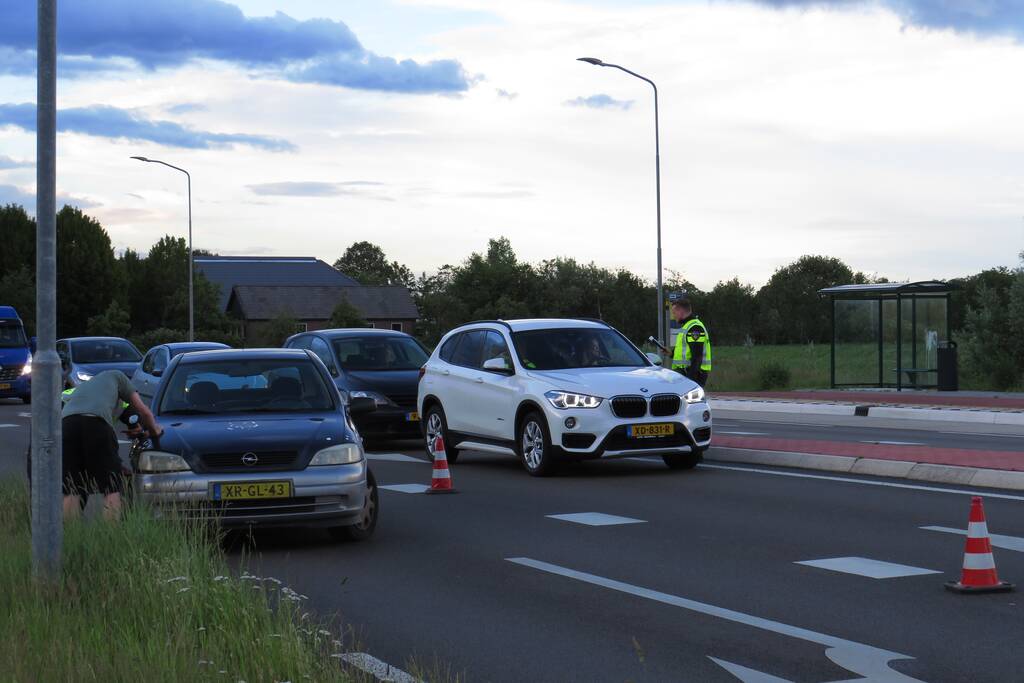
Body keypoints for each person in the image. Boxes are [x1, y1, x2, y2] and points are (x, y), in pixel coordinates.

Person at [61, 370, 162, 520]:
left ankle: (69, 536)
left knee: (73, 487)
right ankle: (110, 534)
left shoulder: (88, 387)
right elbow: (145, 412)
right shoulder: (119, 376)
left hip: (66, 426)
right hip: (96, 424)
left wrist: (135, 427)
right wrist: (155, 432)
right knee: (113, 484)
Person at [669, 292, 712, 387]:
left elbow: (697, 357)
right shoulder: (687, 326)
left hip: (693, 375)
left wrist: (690, 381)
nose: (674, 316)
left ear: (681, 311)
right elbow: (686, 352)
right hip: (685, 374)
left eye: (674, 313)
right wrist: (671, 353)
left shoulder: (694, 328)